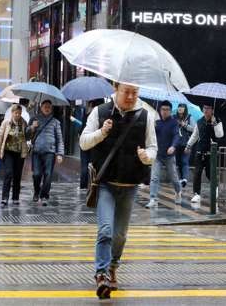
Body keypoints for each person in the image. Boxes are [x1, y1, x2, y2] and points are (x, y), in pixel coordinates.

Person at [80, 83, 156, 299]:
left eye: (135, 93)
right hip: (105, 183)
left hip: (129, 185)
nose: (131, 97)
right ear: (116, 89)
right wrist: (102, 133)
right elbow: (84, 143)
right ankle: (101, 274)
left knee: (120, 235)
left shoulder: (145, 116)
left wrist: (146, 157)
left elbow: (153, 148)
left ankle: (113, 266)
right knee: (105, 230)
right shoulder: (100, 112)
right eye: (127, 92)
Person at [26, 99, 64, 206]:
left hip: (50, 153)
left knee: (48, 174)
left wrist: (60, 154)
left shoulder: (56, 122)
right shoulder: (34, 119)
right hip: (37, 152)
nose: (47, 108)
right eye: (45, 106)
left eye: (49, 107)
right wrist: (32, 127)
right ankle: (37, 191)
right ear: (41, 107)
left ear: (51, 109)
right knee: (37, 174)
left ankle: (44, 195)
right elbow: (27, 135)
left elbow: (60, 139)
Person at [184, 104, 224, 203]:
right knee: (197, 173)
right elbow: (195, 135)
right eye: (204, 108)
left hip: (211, 152)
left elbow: (220, 135)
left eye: (208, 108)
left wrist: (215, 124)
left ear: (212, 110)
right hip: (200, 150)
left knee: (210, 173)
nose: (206, 110)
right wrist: (188, 146)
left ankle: (215, 189)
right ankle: (196, 194)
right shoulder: (199, 121)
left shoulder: (217, 121)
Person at [146, 101, 182, 208]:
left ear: (170, 111)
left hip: (169, 155)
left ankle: (178, 191)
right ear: (160, 110)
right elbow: (150, 135)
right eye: (162, 109)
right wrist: (152, 127)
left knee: (174, 177)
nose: (164, 112)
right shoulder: (156, 122)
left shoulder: (174, 122)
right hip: (157, 154)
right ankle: (153, 199)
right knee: (154, 177)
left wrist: (173, 146)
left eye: (167, 110)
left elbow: (177, 136)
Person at [0, 104, 29, 206]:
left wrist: (32, 128)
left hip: (19, 153)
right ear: (12, 113)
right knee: (8, 173)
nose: (17, 115)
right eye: (15, 113)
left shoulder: (24, 123)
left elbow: (28, 136)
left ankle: (15, 197)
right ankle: (4, 198)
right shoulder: (6, 123)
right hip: (8, 151)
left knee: (17, 176)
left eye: (19, 113)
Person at [79, 99, 105, 190]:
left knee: (84, 165)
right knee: (94, 165)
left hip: (86, 142)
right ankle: (94, 185)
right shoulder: (103, 115)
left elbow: (81, 130)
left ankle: (83, 186)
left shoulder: (87, 115)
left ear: (90, 104)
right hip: (96, 143)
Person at [174, 103, 194, 188]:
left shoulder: (189, 117)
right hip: (176, 143)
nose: (180, 108)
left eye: (182, 107)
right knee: (177, 162)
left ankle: (184, 179)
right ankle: (180, 179)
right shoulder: (174, 117)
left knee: (185, 161)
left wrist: (185, 125)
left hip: (186, 143)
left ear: (185, 109)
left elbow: (194, 129)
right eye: (179, 107)